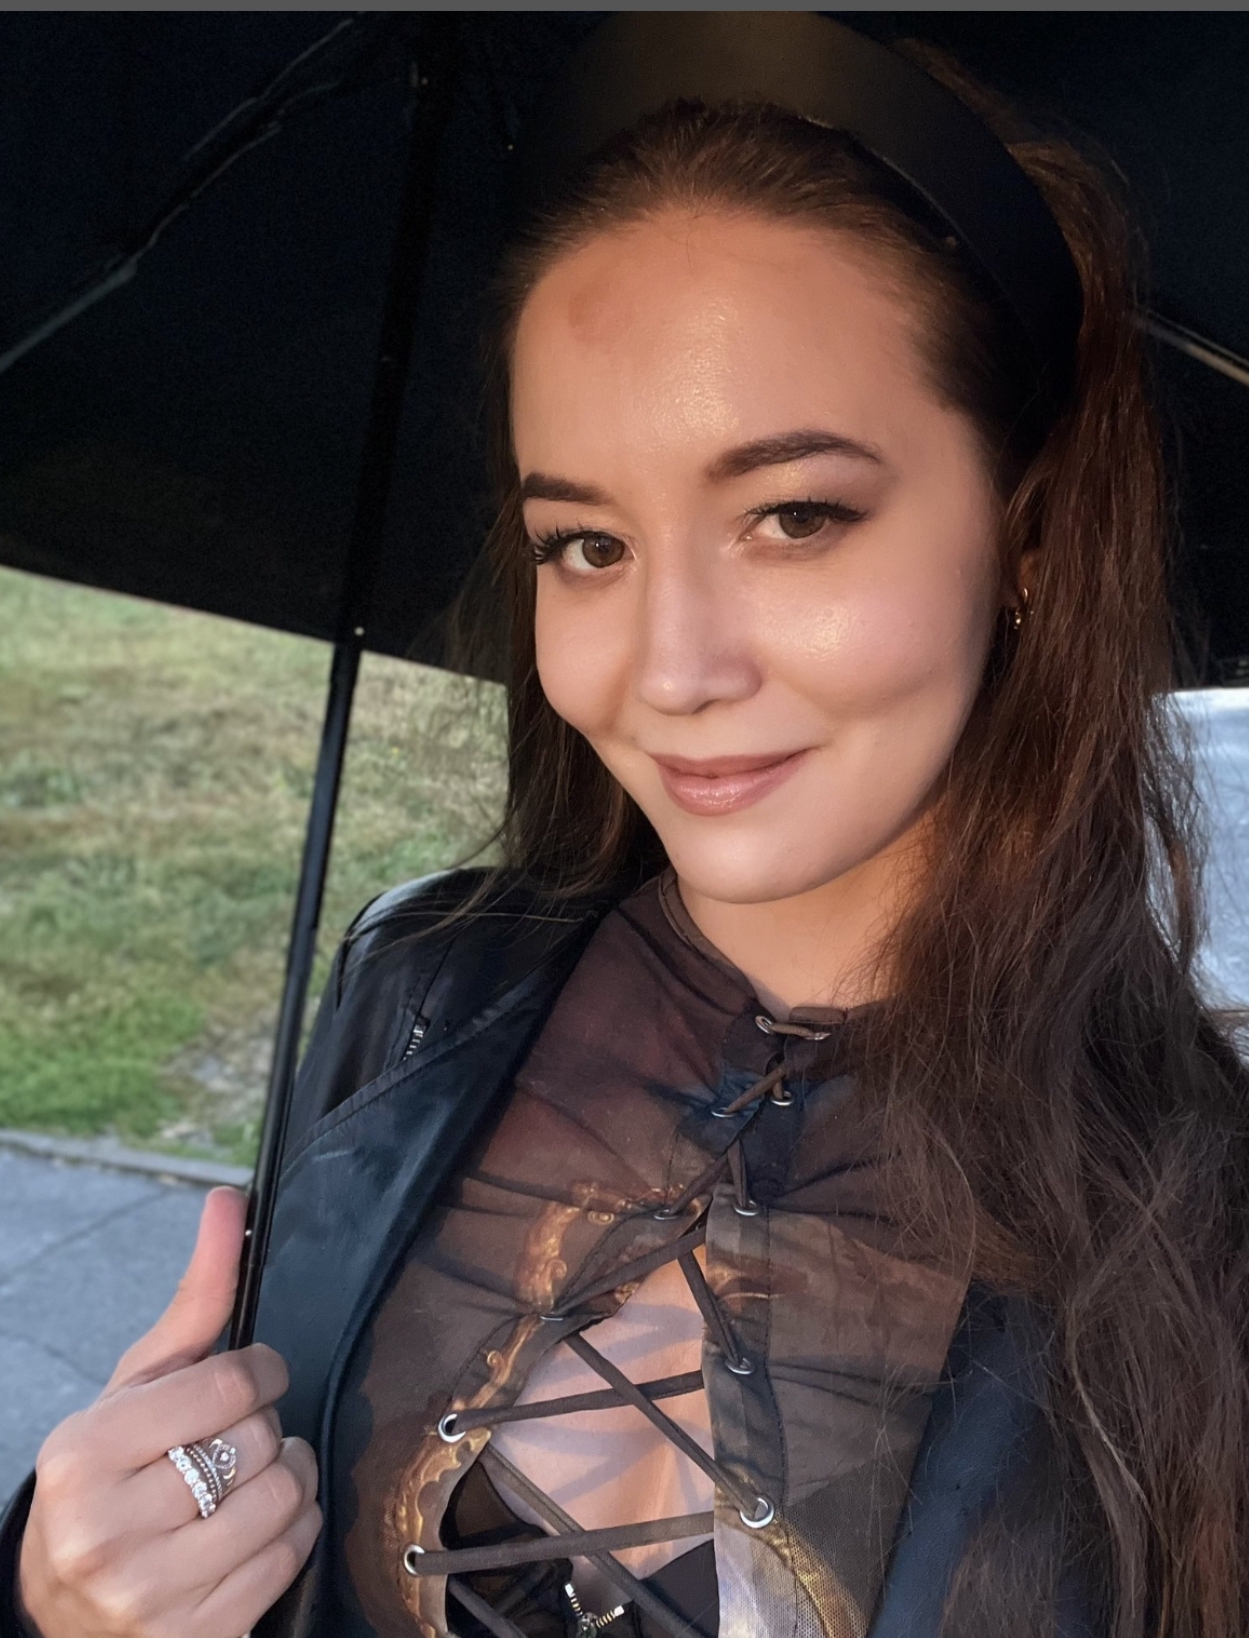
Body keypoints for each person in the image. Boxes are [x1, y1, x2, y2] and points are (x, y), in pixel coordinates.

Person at [5, 15, 1248, 1638]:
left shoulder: (1205, 1236)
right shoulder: (421, 987)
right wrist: (65, 1591)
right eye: (586, 544)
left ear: (1022, 537)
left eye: (792, 515)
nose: (670, 670)